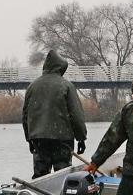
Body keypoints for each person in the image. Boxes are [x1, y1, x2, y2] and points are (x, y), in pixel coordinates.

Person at [23, 49, 88, 179]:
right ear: (61, 68)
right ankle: (61, 191)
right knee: (62, 174)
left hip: (39, 139)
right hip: (62, 138)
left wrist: (29, 138)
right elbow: (76, 115)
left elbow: (25, 116)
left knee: (40, 176)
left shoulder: (32, 87)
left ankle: (38, 191)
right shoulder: (66, 86)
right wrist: (81, 138)